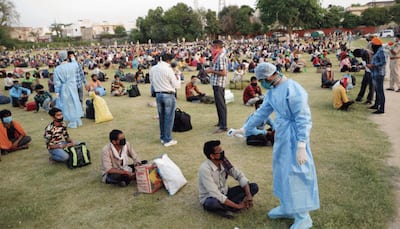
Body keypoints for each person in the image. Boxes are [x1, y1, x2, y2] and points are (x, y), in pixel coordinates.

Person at [244, 63, 319, 229]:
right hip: (282, 136)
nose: (262, 83)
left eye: (263, 80)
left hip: (295, 137)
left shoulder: (294, 90)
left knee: (297, 174)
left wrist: (301, 145)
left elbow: (303, 119)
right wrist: (245, 128)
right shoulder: (272, 91)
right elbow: (262, 112)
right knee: (282, 171)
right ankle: (286, 206)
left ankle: (303, 216)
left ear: (271, 76)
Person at [198, 140, 258, 219]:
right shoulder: (205, 169)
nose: (223, 153)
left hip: (225, 192)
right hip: (211, 197)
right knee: (211, 203)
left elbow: (239, 175)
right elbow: (215, 193)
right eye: (220, 152)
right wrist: (238, 206)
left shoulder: (224, 161)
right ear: (212, 156)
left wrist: (248, 195)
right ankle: (232, 206)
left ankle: (226, 207)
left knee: (253, 187)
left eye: (222, 150)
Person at [149, 53, 181, 147]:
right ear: (169, 60)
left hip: (158, 94)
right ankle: (167, 139)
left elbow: (152, 81)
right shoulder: (168, 69)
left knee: (162, 117)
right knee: (169, 118)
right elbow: (176, 85)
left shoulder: (153, 68)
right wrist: (178, 76)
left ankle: (163, 137)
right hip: (168, 94)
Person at [53, 51, 84, 128]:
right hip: (72, 86)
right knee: (75, 102)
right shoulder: (72, 65)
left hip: (64, 88)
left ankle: (72, 120)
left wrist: (57, 91)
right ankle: (76, 119)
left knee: (67, 104)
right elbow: (76, 65)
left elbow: (57, 82)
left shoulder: (57, 69)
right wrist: (73, 58)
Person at [205, 40, 228, 133]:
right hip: (215, 83)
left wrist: (211, 71)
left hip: (219, 83)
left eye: (213, 47)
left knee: (221, 104)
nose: (211, 49)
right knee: (218, 104)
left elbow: (223, 72)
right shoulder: (217, 56)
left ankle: (223, 126)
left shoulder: (221, 57)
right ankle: (220, 122)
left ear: (217, 47)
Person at [367, 37, 386, 114]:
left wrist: (373, 65)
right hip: (375, 73)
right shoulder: (378, 50)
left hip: (379, 74)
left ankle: (381, 108)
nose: (372, 46)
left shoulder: (381, 51)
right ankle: (376, 104)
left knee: (380, 91)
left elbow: (383, 62)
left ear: (376, 45)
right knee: (377, 91)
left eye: (373, 44)